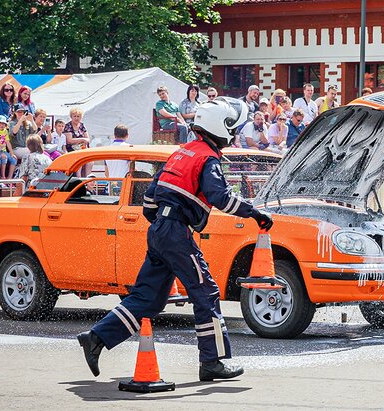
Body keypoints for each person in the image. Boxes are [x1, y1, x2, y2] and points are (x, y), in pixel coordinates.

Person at [77, 96, 274, 382]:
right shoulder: (208, 158)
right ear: (220, 126)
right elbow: (220, 197)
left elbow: (148, 202)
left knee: (148, 298)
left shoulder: (182, 153)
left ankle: (96, 338)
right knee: (205, 292)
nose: (233, 131)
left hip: (160, 231)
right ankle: (213, 362)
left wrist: (163, 229)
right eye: (231, 125)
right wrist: (254, 213)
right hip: (175, 232)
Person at [64, 107, 92, 176]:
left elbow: (88, 139)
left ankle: (87, 179)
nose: (76, 118)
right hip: (71, 150)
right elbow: (69, 140)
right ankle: (79, 179)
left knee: (90, 162)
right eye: (75, 116)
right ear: (71, 117)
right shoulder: (68, 126)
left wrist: (84, 140)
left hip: (82, 148)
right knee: (80, 161)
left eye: (78, 116)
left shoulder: (82, 125)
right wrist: (82, 139)